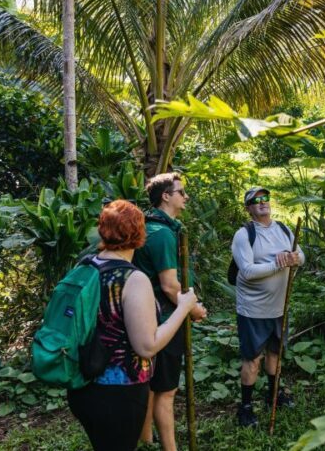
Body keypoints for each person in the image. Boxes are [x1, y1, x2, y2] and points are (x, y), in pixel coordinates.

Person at [67, 200, 197, 451]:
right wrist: (183, 308)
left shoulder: (84, 267)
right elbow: (147, 346)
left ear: (102, 230)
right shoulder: (132, 278)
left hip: (82, 385)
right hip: (118, 391)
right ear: (140, 234)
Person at [133, 173, 207, 450]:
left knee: (149, 387)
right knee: (165, 391)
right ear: (166, 196)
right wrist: (194, 310)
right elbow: (169, 285)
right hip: (164, 318)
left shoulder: (146, 225)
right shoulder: (162, 234)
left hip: (142, 317)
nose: (185, 197)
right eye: (181, 192)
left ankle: (147, 441)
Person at [231, 186, 305, 427]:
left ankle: (273, 394)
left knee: (275, 352)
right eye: (256, 200)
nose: (262, 202)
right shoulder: (244, 235)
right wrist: (279, 262)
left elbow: (301, 256)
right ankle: (246, 407)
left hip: (279, 307)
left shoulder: (283, 229)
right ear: (248, 208)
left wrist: (293, 258)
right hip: (253, 309)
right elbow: (248, 271)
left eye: (265, 198)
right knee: (253, 359)